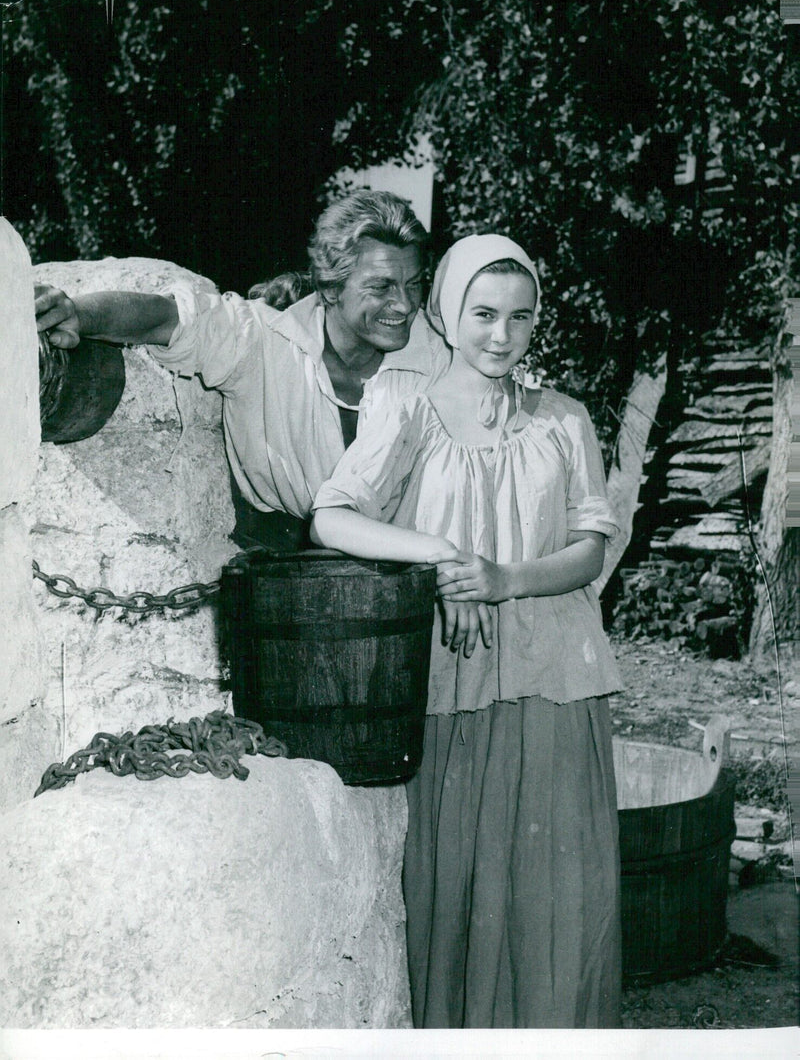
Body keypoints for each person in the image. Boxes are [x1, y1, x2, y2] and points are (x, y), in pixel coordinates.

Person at [311, 234, 624, 1028]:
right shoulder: (405, 405)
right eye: (484, 314)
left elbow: (590, 548)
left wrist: (505, 578)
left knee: (553, 893)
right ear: (449, 315)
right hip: (453, 677)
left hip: (554, 678)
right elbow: (334, 517)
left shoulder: (565, 419)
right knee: (456, 886)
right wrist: (444, 554)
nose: (501, 335)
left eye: (521, 317)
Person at [33, 189, 451, 552]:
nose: (404, 304)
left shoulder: (439, 359)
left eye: (414, 283)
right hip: (280, 590)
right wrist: (78, 313)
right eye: (381, 287)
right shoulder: (261, 341)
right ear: (331, 288)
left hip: (412, 591)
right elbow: (167, 318)